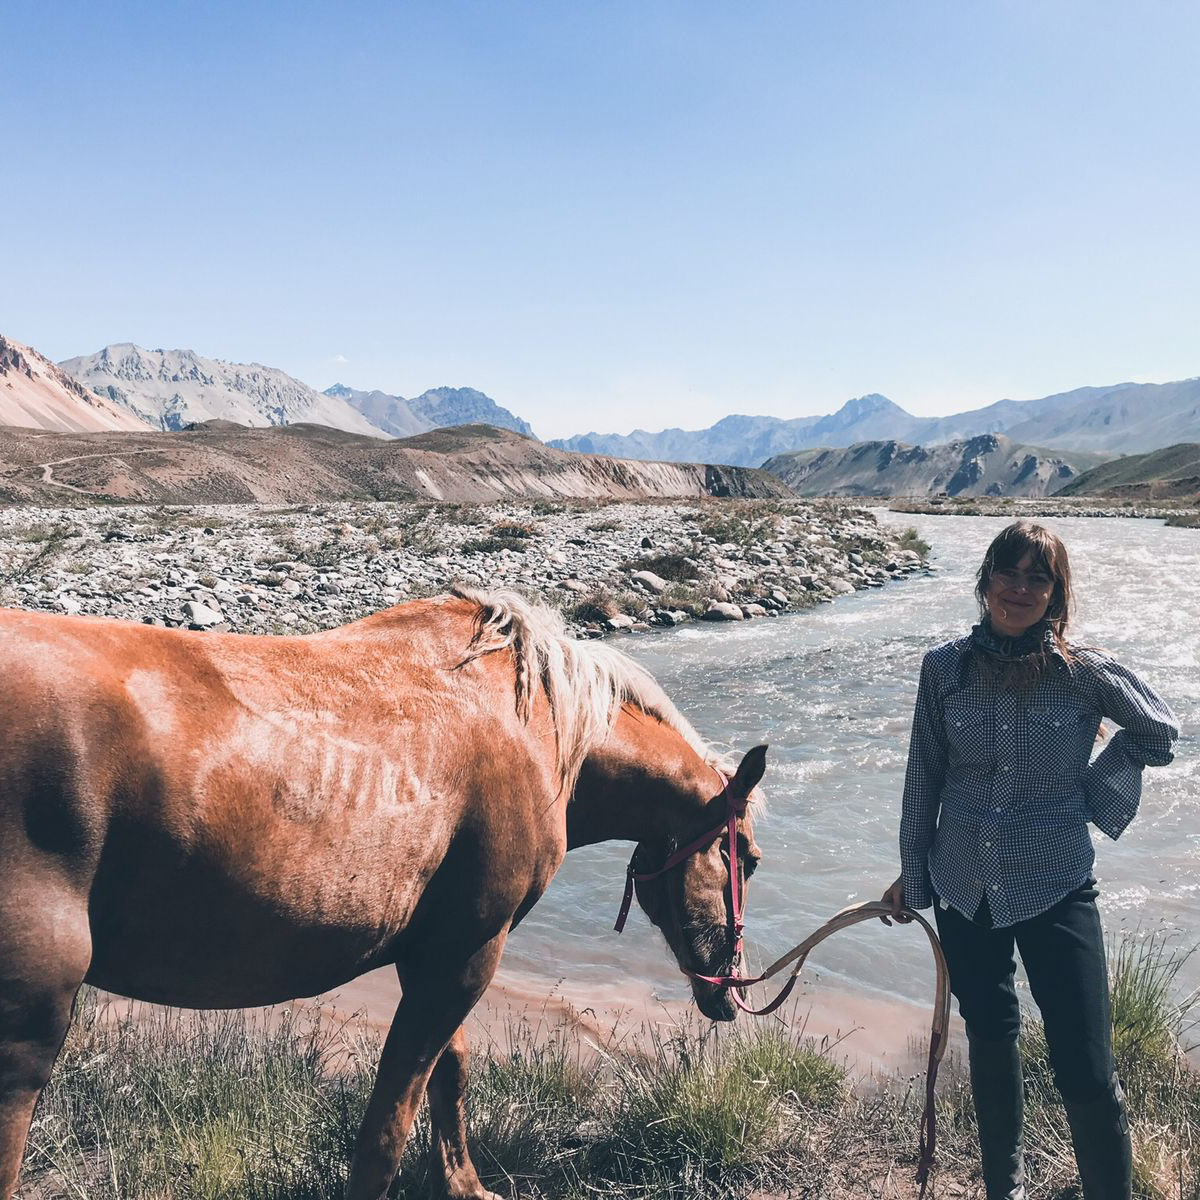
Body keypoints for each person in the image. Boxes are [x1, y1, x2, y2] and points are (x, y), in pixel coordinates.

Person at [881, 521, 1179, 1200]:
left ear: (1056, 593)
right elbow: (923, 776)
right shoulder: (944, 668)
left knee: (1086, 1064)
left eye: (1036, 577)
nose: (1019, 589)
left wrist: (1092, 796)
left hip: (1057, 887)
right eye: (1007, 573)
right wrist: (914, 872)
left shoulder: (1084, 674)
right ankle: (1003, 1192)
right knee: (990, 1035)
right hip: (964, 887)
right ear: (984, 581)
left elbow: (1159, 731)